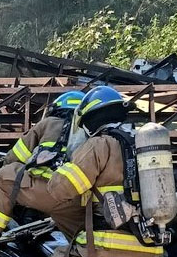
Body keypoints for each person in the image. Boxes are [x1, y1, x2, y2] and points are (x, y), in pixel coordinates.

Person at [46, 86, 165, 256]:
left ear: (90, 118)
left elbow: (61, 189)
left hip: (109, 246)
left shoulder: (99, 144)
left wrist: (61, 168)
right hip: (150, 246)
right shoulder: (141, 145)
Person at [0, 91, 87, 253]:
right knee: (80, 240)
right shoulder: (89, 133)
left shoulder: (48, 123)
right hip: (73, 199)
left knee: (5, 177)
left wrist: (3, 170)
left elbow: (15, 157)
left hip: (43, 190)